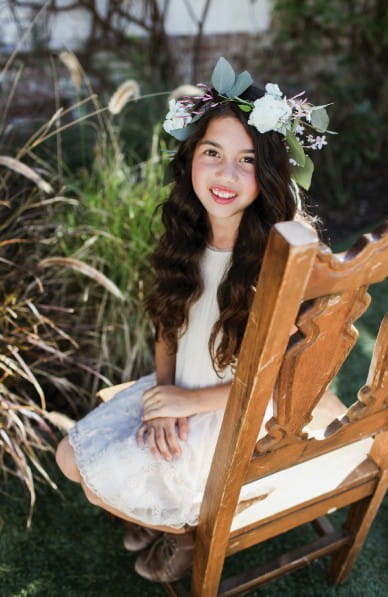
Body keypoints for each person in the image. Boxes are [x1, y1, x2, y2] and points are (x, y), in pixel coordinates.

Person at [55, 57, 330, 583]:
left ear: (270, 173)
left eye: (247, 160)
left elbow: (280, 384)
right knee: (73, 460)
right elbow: (168, 329)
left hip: (235, 411)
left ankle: (180, 533)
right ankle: (159, 513)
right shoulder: (185, 238)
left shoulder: (278, 263)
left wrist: (191, 402)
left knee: (95, 481)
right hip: (179, 388)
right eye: (213, 153)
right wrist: (162, 399)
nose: (226, 175)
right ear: (190, 159)